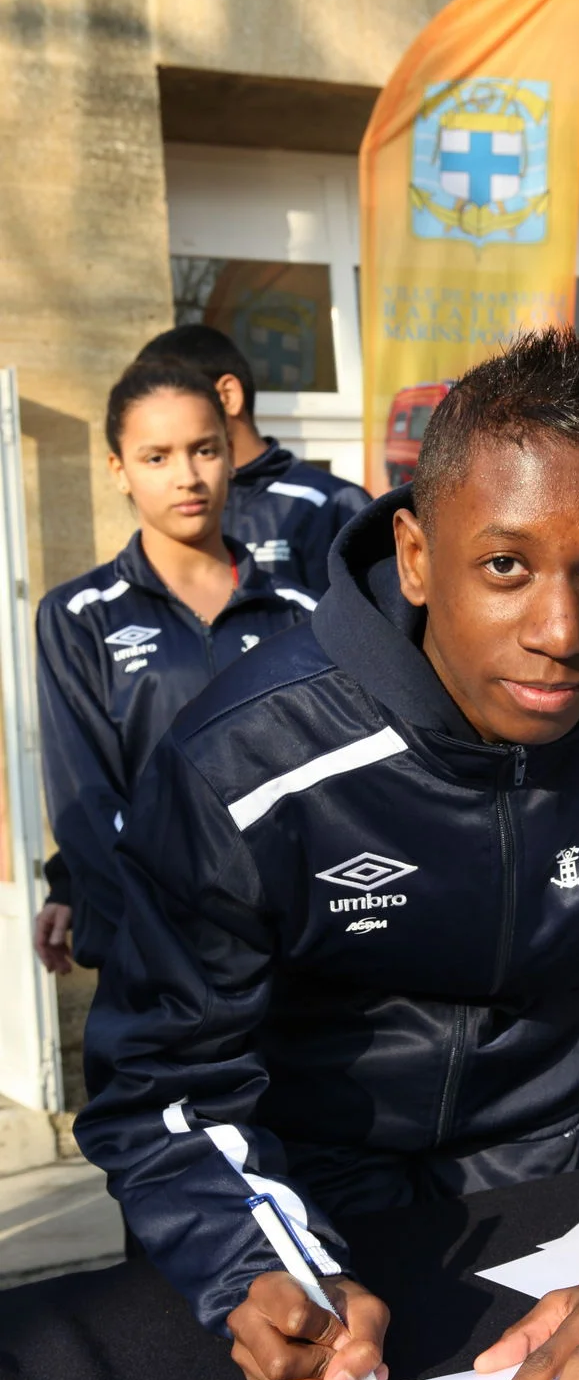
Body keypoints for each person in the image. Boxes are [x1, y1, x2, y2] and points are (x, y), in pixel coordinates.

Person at [75, 329, 579, 1380]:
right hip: (284, 1189)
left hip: (533, 1184)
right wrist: (262, 1263)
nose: (559, 632)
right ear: (417, 552)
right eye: (504, 565)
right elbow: (162, 1084)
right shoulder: (240, 760)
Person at [35, 359, 318, 977]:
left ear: (229, 456)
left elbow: (326, 794)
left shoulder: (302, 615)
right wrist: (164, 938)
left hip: (288, 963)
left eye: (204, 450)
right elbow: (84, 802)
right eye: (156, 457)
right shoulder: (79, 617)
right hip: (152, 963)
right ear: (119, 471)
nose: (187, 477)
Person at [137, 324, 370, 595]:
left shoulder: (335, 504)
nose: (157, 415)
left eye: (173, 396)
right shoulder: (178, 506)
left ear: (227, 396)